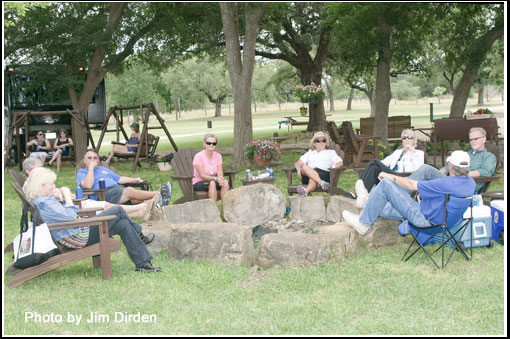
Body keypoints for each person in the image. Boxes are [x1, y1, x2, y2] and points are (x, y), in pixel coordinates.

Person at [24, 167, 160, 272]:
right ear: (40, 185)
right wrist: (66, 197)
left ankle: (143, 264)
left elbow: (65, 216)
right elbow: (71, 216)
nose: (53, 186)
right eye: (50, 184)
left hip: (74, 232)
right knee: (117, 210)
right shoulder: (45, 203)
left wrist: (59, 198)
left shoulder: (42, 200)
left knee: (123, 224)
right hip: (76, 237)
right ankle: (139, 232)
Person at [342, 150, 476, 235]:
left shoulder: (445, 184)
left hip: (425, 221)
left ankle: (363, 222)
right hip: (446, 222)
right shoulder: (470, 183)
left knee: (385, 185)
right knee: (425, 169)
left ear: (451, 167)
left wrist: (389, 176)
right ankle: (367, 201)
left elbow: (412, 185)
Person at [405, 127, 497, 193]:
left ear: (484, 139)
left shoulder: (489, 157)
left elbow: (487, 171)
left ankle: (402, 189)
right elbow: (451, 164)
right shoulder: (466, 154)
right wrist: (444, 170)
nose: (473, 141)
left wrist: (463, 174)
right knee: (426, 176)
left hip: (463, 185)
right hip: (450, 181)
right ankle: (403, 192)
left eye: (476, 139)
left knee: (426, 169)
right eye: (471, 139)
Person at [76, 149, 172, 208]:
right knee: (129, 191)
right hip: (103, 194)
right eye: (90, 158)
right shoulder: (82, 172)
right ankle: (160, 193)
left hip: (118, 190)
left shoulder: (103, 169)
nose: (93, 160)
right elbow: (87, 185)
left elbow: (120, 179)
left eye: (95, 158)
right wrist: (91, 168)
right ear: (84, 160)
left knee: (136, 200)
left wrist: (135, 179)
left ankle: (158, 203)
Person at [354, 129, 424, 208]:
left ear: (414, 140)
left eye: (409, 137)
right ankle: (361, 195)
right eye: (404, 138)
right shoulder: (398, 152)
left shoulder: (418, 153)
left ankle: (359, 191)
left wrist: (412, 152)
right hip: (392, 177)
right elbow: (384, 163)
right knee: (374, 168)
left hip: (403, 179)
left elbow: (419, 170)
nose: (406, 139)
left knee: (374, 162)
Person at [294, 131, 343, 196]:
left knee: (312, 178)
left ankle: (306, 191)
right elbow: (298, 163)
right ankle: (321, 182)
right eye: (318, 141)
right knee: (304, 167)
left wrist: (334, 166)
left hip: (324, 174)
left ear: (326, 143)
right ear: (314, 143)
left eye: (323, 140)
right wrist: (298, 170)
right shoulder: (309, 153)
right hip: (309, 175)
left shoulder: (331, 152)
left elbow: (340, 162)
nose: (321, 142)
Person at [192, 133, 229, 203]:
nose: (211, 145)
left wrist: (220, 178)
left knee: (225, 182)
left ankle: (225, 208)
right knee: (212, 183)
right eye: (209, 143)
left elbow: (220, 172)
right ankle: (214, 210)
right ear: (204, 143)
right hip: (199, 182)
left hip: (213, 181)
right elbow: (202, 176)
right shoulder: (199, 156)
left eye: (214, 143)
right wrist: (216, 178)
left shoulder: (218, 156)